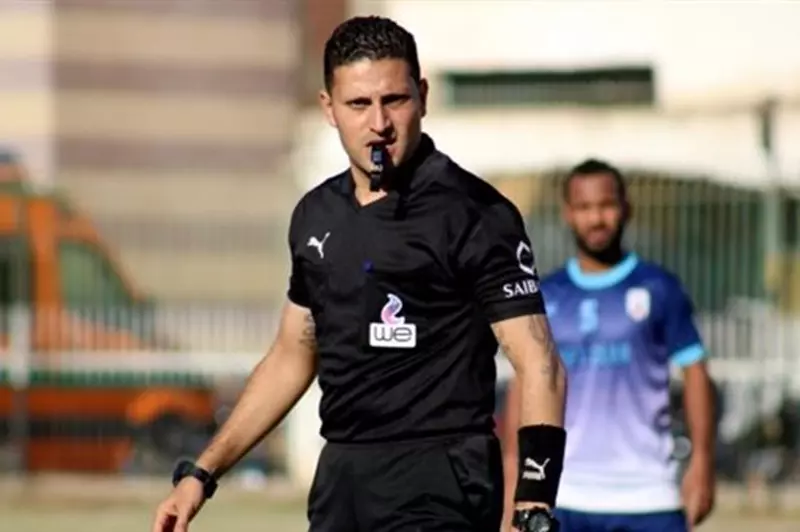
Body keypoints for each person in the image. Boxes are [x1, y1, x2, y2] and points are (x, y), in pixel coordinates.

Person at [151, 16, 568, 532]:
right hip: (343, 480)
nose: (379, 123)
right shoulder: (316, 215)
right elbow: (291, 357)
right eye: (358, 104)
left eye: (394, 100)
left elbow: (539, 363)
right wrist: (202, 473)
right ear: (329, 108)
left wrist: (532, 503)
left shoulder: (476, 214)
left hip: (442, 480)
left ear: (422, 96)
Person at [502, 159, 716, 531]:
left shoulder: (659, 287)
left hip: (648, 496)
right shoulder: (548, 294)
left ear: (626, 208)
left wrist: (703, 461)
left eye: (606, 205)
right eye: (584, 207)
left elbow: (695, 373)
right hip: (564, 493)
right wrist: (512, 467)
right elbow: (526, 380)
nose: (596, 219)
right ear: (568, 214)